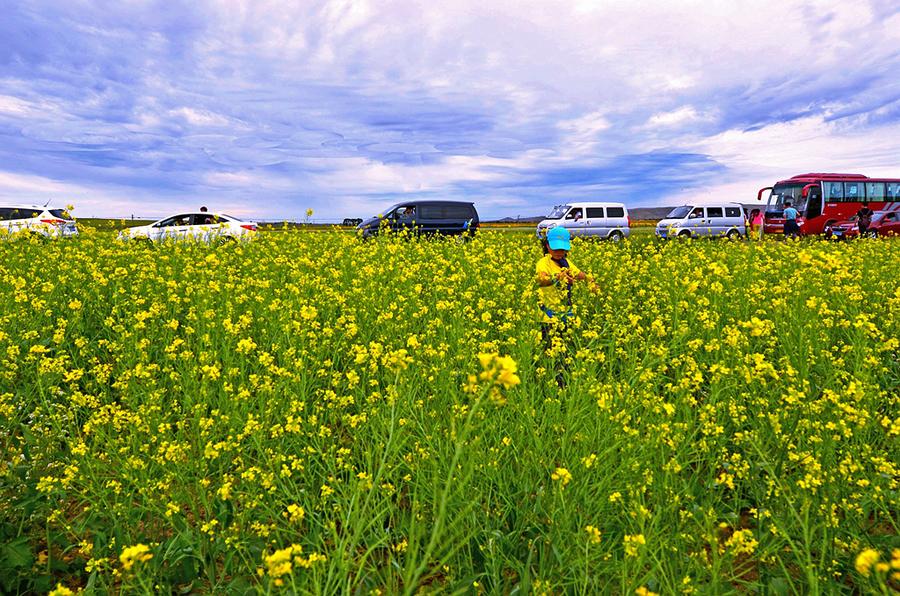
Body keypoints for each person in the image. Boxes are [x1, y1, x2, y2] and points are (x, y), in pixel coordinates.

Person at [535, 227, 597, 387]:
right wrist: (558, 277)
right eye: (555, 248)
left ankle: (562, 382)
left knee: (564, 351)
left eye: (562, 248)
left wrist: (590, 279)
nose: (559, 251)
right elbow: (541, 280)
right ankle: (549, 383)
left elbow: (578, 274)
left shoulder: (566, 262)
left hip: (565, 314)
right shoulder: (543, 263)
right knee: (550, 351)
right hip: (548, 317)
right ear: (547, 246)